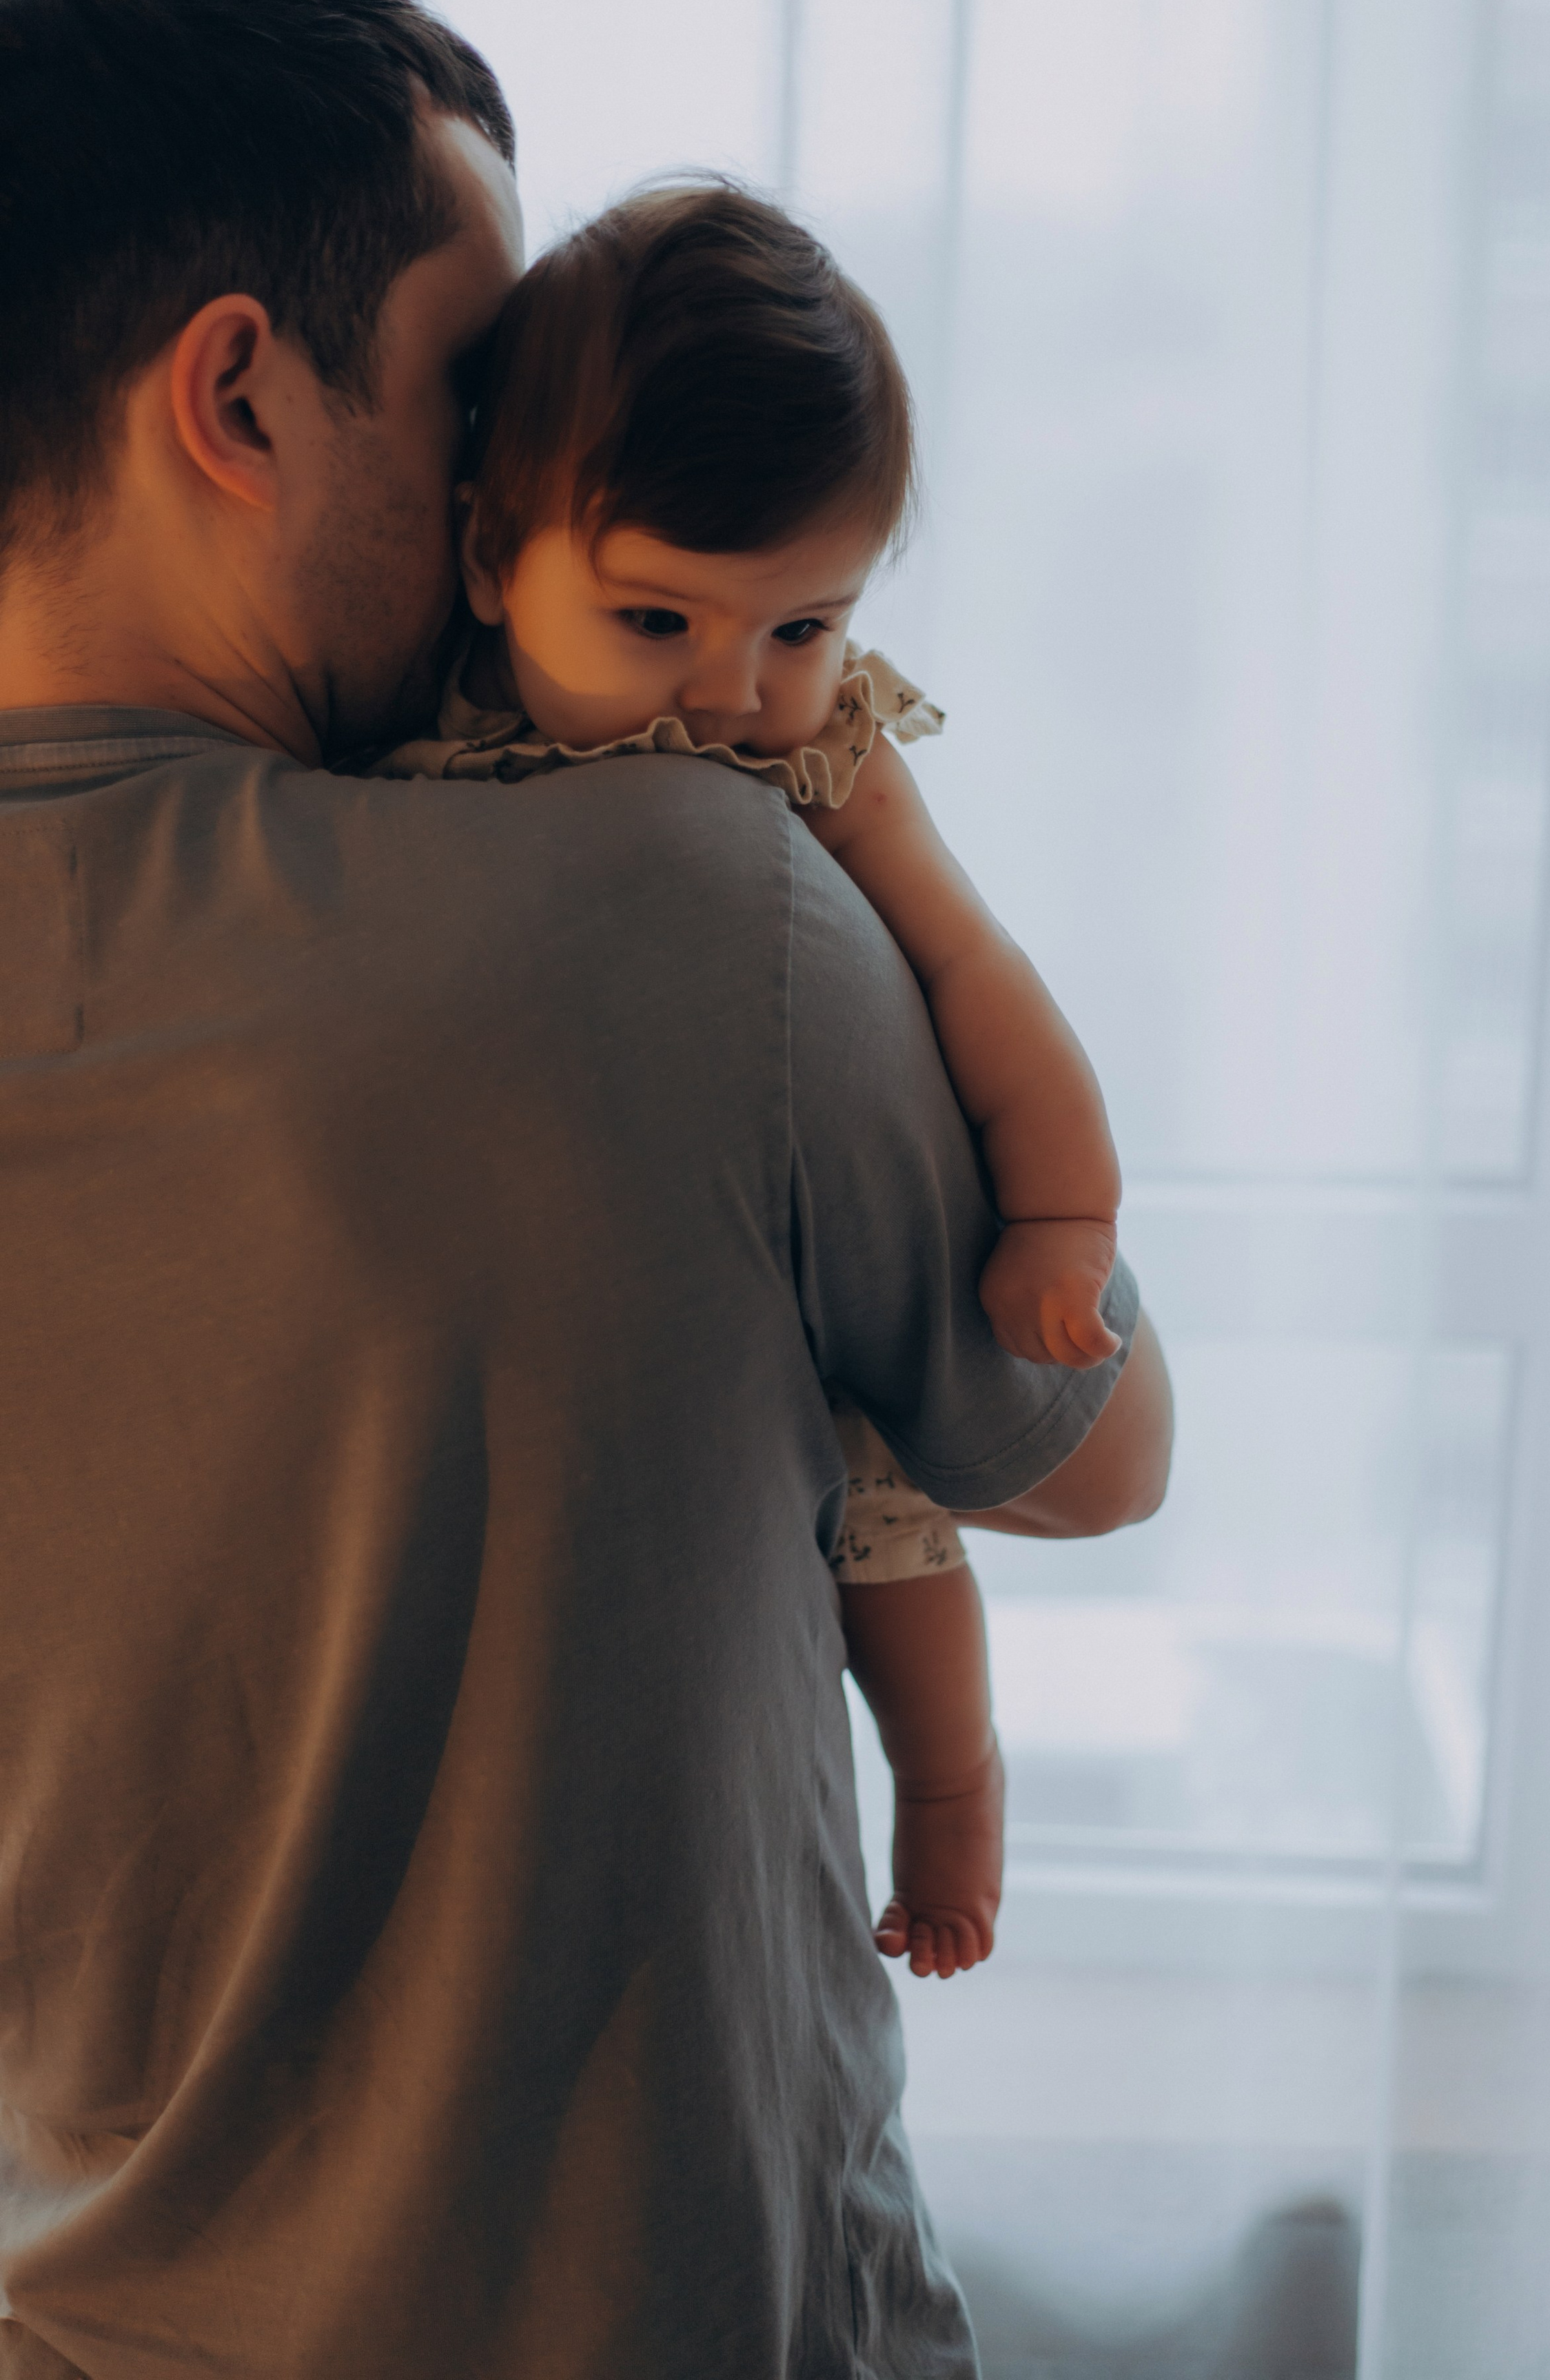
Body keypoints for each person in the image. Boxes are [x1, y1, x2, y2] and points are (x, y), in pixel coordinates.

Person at [0, 0, 1172, 2379]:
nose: (522, 461)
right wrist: (872, 863)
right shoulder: (680, 898)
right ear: (239, 395)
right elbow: (1093, 1453)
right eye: (469, 388)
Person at [363, 181, 1126, 1987]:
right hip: (557, 1295)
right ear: (488, 558)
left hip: (787, 1274)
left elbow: (979, 975)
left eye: (803, 628)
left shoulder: (830, 776)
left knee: (898, 1557)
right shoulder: (406, 725)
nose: (730, 694)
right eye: (657, 624)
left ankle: (954, 1807)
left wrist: (1061, 1216)